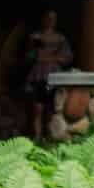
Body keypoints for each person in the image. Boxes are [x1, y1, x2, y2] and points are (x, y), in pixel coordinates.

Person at [25, 9, 73, 139]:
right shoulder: (35, 37)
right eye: (48, 18)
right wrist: (39, 55)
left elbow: (66, 57)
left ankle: (50, 138)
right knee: (37, 110)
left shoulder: (60, 38)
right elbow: (30, 56)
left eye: (53, 18)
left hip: (54, 77)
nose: (50, 21)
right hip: (38, 76)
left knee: (52, 110)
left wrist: (49, 57)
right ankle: (37, 138)